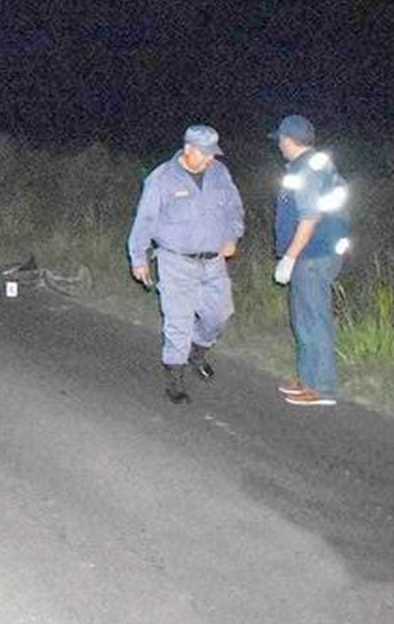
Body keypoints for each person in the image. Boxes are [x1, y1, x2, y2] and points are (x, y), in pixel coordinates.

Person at [126, 125, 245, 404]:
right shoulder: (163, 178)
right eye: (205, 154)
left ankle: (197, 351)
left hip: (213, 261)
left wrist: (232, 236)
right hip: (175, 260)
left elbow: (234, 208)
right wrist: (139, 257)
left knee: (219, 315)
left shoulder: (219, 173)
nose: (210, 159)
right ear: (189, 149)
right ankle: (175, 378)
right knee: (178, 320)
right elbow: (145, 220)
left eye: (213, 153)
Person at [271, 115, 351, 407]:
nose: (279, 145)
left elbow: (309, 217)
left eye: (281, 139)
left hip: (312, 255)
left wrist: (290, 257)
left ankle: (322, 388)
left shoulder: (307, 170)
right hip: (319, 253)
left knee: (313, 320)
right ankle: (308, 380)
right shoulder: (317, 165)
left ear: (289, 140)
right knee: (304, 318)